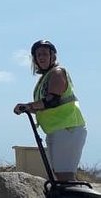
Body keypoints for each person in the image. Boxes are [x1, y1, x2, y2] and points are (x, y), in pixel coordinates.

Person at [14, 40, 87, 181]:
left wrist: (28, 106)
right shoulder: (45, 79)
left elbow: (52, 100)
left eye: (45, 54)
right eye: (38, 55)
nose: (41, 57)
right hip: (57, 130)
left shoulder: (57, 73)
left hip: (68, 128)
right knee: (59, 175)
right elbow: (44, 107)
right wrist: (28, 109)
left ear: (53, 56)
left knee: (65, 175)